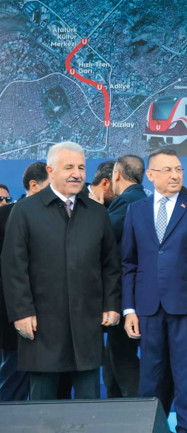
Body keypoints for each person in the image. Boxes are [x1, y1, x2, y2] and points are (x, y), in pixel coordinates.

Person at [1, 142, 121, 400]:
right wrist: (21, 312)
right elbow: (13, 267)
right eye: (69, 167)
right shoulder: (24, 211)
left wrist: (111, 305)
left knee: (89, 406)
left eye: (80, 167)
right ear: (50, 170)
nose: (76, 173)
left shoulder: (97, 213)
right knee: (43, 408)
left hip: (86, 326)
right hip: (41, 327)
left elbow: (110, 265)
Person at [121, 148, 187, 433]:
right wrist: (129, 309)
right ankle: (149, 428)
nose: (175, 175)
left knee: (185, 377)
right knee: (149, 377)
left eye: (179, 169)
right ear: (150, 175)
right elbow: (128, 263)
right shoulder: (135, 210)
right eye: (167, 170)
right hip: (147, 308)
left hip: (185, 309)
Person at [99, 155, 148, 399]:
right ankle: (116, 409)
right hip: (131, 294)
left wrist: (95, 208)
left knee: (123, 356)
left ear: (116, 174)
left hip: (126, 296)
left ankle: (136, 415)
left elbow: (101, 235)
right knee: (113, 358)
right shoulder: (142, 198)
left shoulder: (128, 200)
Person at [0, 162, 49, 401]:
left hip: (51, 320)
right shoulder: (5, 216)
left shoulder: (63, 216)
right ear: (34, 185)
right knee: (13, 378)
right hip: (14, 318)